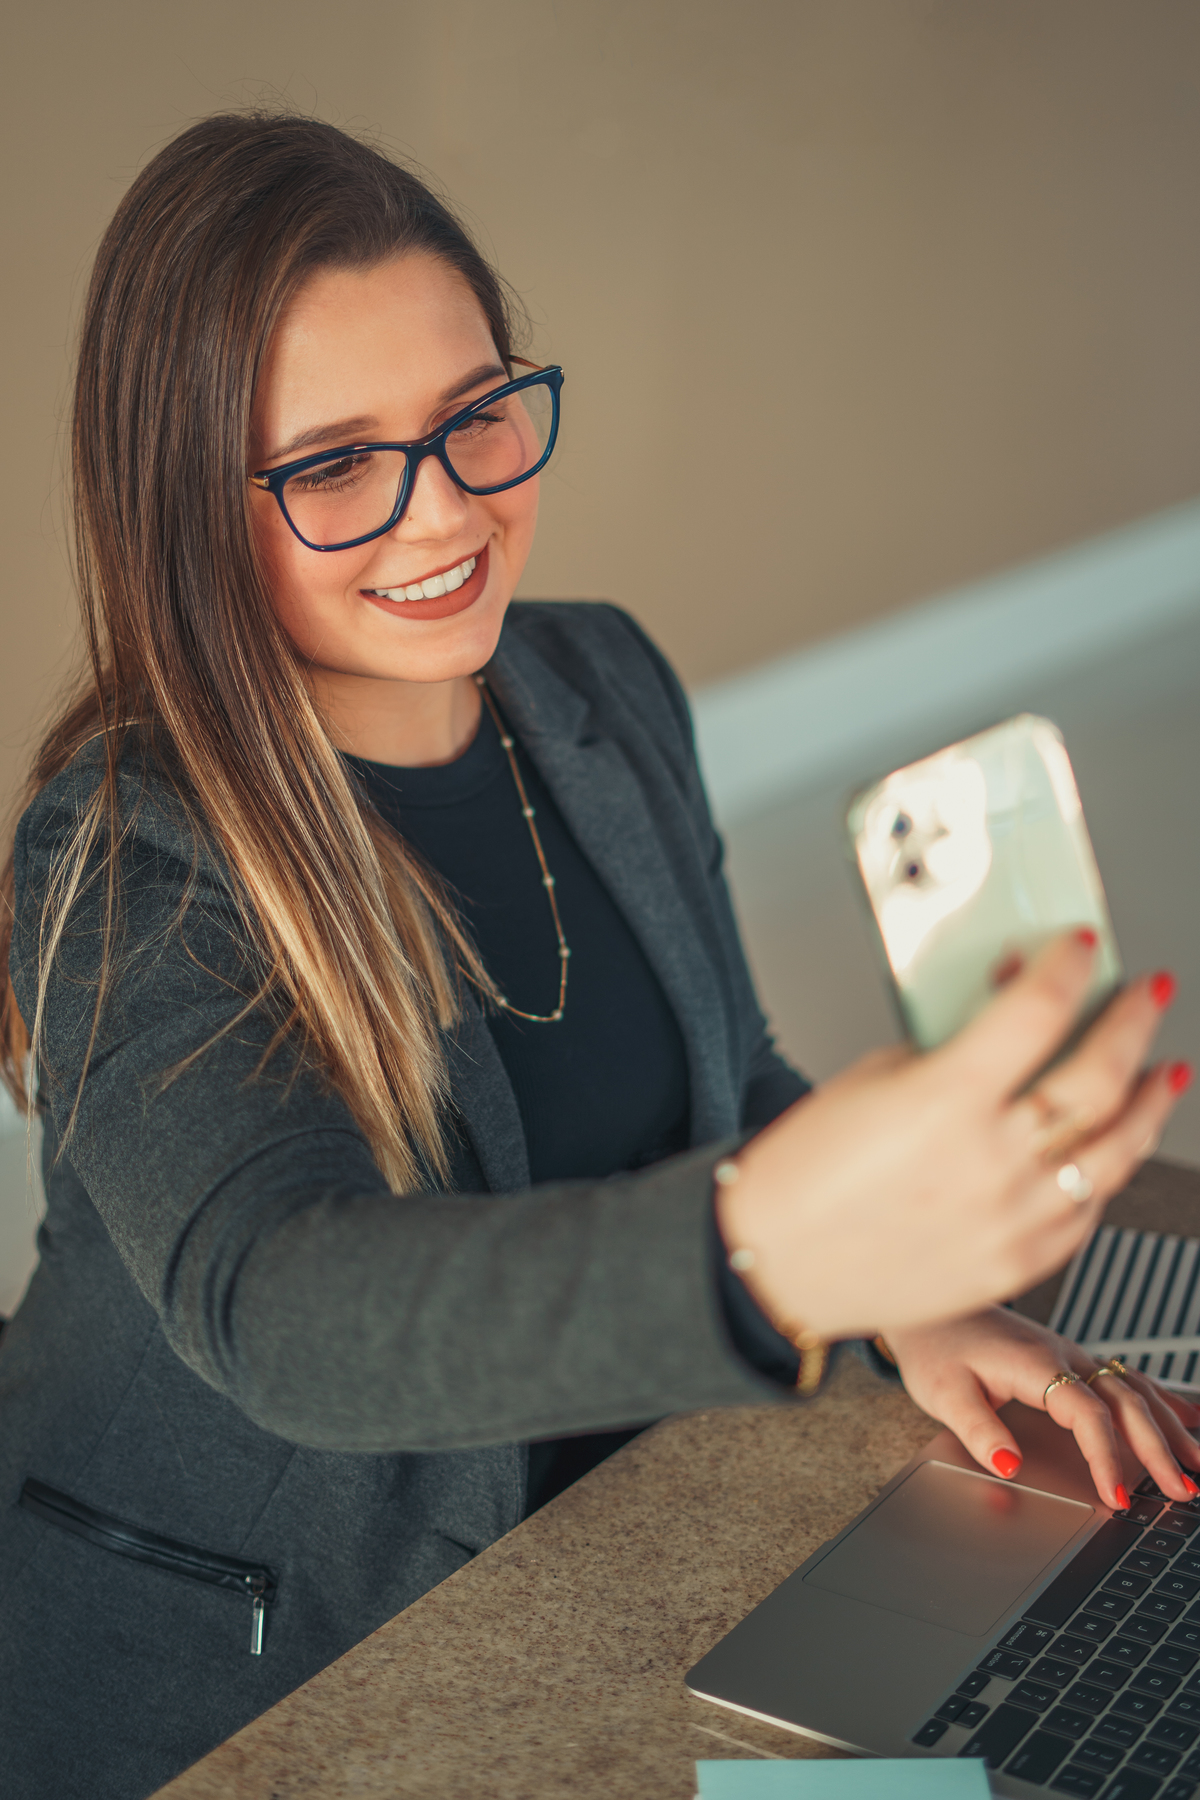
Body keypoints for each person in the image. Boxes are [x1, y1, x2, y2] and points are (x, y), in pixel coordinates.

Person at [0, 112, 1192, 1800]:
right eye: (335, 463)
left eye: (478, 416)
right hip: (269, 1677)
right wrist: (770, 1260)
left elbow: (720, 1081)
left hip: (620, 1552)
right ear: (187, 504)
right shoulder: (124, 851)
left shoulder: (601, 685)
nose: (445, 511)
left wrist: (901, 1307)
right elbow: (289, 1311)